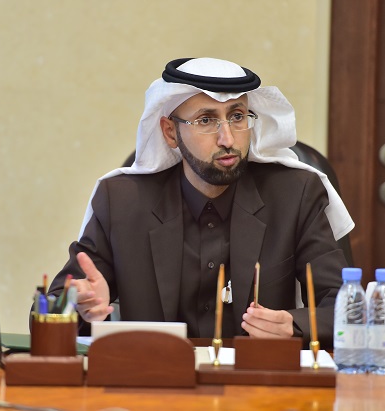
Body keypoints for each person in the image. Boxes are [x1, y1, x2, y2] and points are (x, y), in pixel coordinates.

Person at [47, 57, 354, 348]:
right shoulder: (123, 202)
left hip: (256, 379)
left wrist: (294, 325)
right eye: (206, 120)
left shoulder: (294, 195)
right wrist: (77, 306)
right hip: (158, 378)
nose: (227, 139)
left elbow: (348, 309)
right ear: (170, 132)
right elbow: (50, 309)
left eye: (237, 116)